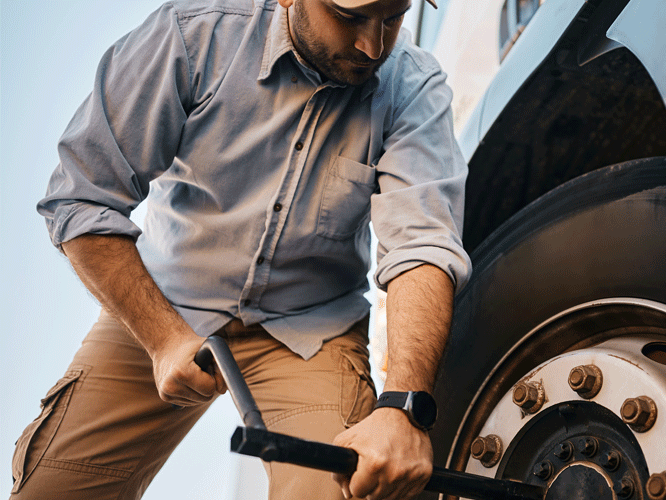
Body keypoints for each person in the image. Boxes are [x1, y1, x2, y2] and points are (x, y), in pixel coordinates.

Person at [9, 0, 470, 498]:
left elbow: (423, 248)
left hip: (311, 331)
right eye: (350, 17)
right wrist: (163, 338)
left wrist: (402, 409)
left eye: (392, 16)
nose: (372, 45)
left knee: (342, 488)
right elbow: (82, 197)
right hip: (165, 307)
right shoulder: (192, 36)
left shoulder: (414, 86)